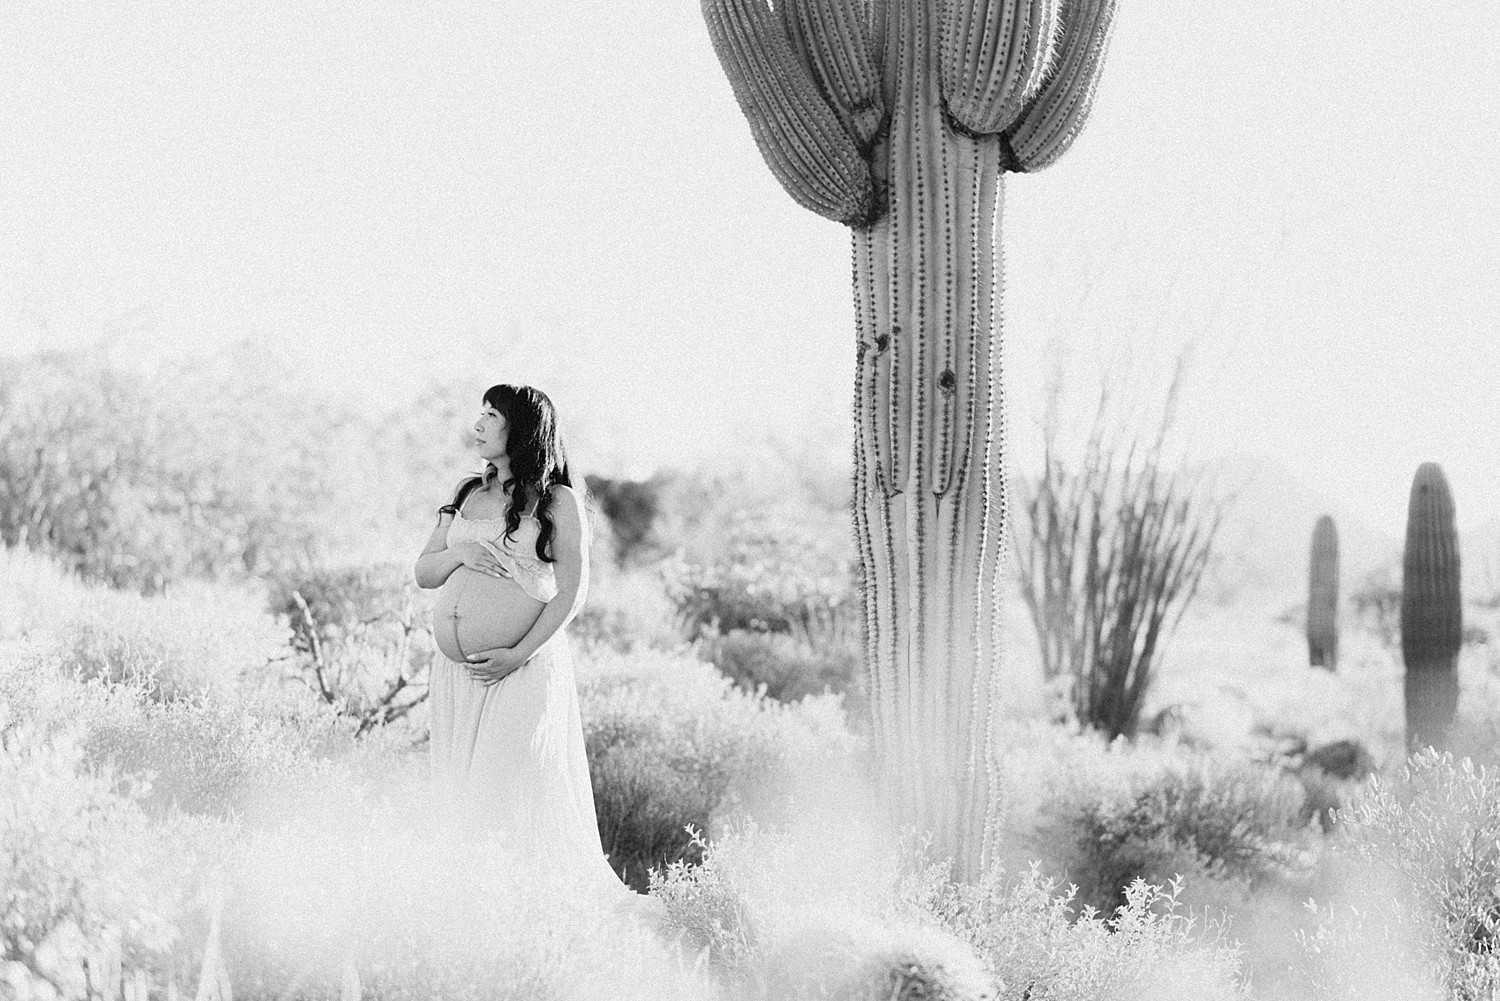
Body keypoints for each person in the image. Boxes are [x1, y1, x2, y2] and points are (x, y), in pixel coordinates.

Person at [414, 384, 644, 910]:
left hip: (522, 669)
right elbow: (424, 571)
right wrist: (462, 553)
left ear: (519, 428)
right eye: (479, 413)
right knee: (459, 794)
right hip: (457, 676)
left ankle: (525, 910)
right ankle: (468, 908)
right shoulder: (467, 492)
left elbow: (573, 591)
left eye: (490, 415)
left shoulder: (558, 500)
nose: (477, 424)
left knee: (503, 792)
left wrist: (519, 653)